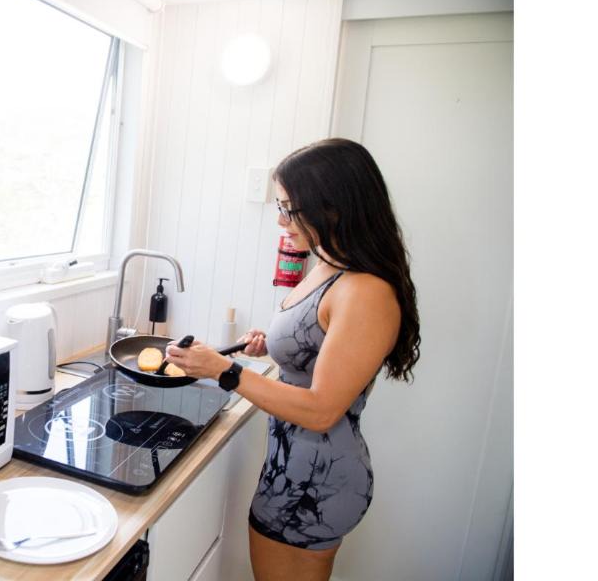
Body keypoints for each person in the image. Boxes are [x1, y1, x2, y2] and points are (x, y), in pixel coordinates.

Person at [165, 138, 421, 581]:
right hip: (292, 467)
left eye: (289, 209)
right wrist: (273, 346)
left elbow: (322, 409)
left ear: (333, 206)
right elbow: (318, 346)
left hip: (318, 481)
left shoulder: (366, 291)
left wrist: (224, 370)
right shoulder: (329, 264)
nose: (281, 220)